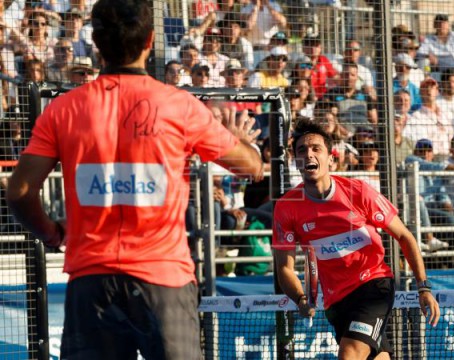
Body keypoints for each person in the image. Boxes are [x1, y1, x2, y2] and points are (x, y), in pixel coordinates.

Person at [6, 1, 263, 359]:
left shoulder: (64, 109)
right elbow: (252, 167)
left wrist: (51, 233)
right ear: (151, 40)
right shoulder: (180, 105)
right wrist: (242, 139)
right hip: (164, 279)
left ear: (95, 41)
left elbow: (19, 192)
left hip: (92, 279)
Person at [273, 119, 440, 360]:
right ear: (296, 161)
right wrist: (300, 299)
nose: (309, 154)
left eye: (316, 148)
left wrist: (423, 287)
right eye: (302, 150)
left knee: (349, 355)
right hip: (335, 301)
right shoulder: (287, 207)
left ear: (331, 158)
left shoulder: (358, 192)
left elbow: (405, 236)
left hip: (373, 286)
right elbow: (284, 268)